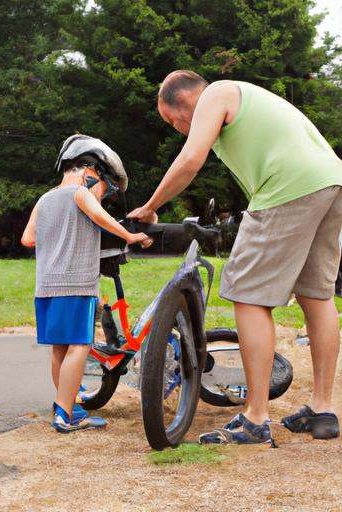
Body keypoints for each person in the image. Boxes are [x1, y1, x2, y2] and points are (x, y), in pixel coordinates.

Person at [129, 70, 342, 444]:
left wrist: (149, 208)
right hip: (331, 182)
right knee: (317, 295)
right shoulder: (251, 98)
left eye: (171, 121)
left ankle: (255, 417)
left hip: (288, 187)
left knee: (247, 294)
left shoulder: (216, 94)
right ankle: (323, 409)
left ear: (181, 103)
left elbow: (190, 160)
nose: (177, 128)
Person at [22, 134, 153, 433]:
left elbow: (27, 239)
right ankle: (65, 416)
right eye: (103, 188)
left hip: (46, 285)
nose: (101, 195)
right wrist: (130, 236)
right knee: (79, 345)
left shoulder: (44, 200)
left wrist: (58, 236)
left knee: (59, 349)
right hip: (76, 284)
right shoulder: (80, 193)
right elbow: (100, 216)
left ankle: (67, 407)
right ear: (91, 174)